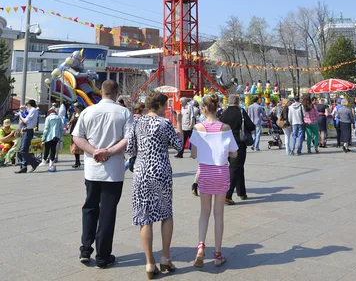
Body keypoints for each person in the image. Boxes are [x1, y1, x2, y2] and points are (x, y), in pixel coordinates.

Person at [73, 80, 133, 269]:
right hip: (113, 169)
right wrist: (109, 151)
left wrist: (93, 151)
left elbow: (77, 137)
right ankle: (103, 255)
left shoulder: (87, 111)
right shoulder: (124, 112)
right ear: (116, 92)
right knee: (107, 212)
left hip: (92, 168)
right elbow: (128, 139)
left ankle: (85, 249)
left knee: (90, 207)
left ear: (101, 92)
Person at [127, 91, 183, 279]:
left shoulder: (136, 122)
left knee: (145, 218)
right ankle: (165, 258)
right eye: (165, 106)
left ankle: (149, 263)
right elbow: (179, 145)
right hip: (160, 172)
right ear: (159, 105)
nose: (166, 110)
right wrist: (179, 123)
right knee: (166, 214)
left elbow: (130, 149)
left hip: (141, 172)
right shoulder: (164, 123)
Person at [190, 94, 238, 269]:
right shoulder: (225, 128)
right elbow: (234, 152)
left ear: (203, 109)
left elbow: (194, 154)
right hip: (221, 172)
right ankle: (218, 254)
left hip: (205, 173)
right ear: (217, 108)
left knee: (204, 213)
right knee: (219, 214)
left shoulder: (197, 128)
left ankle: (201, 246)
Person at [220, 94, 255, 205]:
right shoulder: (240, 112)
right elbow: (251, 126)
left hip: (226, 143)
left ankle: (241, 192)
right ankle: (227, 195)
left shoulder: (224, 113)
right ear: (238, 102)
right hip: (238, 143)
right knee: (235, 168)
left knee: (238, 167)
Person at [15, 100, 40, 174]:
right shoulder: (31, 110)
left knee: (23, 150)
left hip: (28, 131)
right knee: (23, 150)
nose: (26, 107)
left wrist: (20, 116)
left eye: (27, 105)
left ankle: (35, 161)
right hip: (25, 131)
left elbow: (26, 120)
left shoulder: (33, 110)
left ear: (29, 104)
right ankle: (23, 167)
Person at [39, 106, 64, 172]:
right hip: (56, 136)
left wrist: (43, 137)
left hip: (49, 136)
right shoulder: (59, 118)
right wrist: (61, 136)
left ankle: (44, 161)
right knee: (53, 149)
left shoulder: (48, 118)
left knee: (47, 148)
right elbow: (61, 128)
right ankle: (51, 162)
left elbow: (46, 128)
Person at [68, 103, 85, 168]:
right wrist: (69, 123)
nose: (74, 108)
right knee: (74, 148)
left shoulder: (82, 114)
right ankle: (77, 162)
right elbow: (71, 121)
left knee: (80, 148)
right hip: (73, 132)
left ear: (79, 108)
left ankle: (80, 162)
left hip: (80, 133)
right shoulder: (74, 114)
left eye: (75, 107)